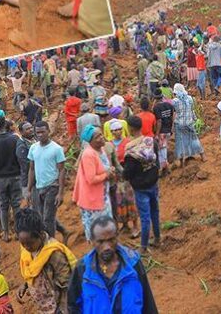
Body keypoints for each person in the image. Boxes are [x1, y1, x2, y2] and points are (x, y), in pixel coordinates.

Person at [67, 216, 158, 313]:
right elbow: (73, 305)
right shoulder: (82, 269)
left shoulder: (133, 264)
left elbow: (147, 302)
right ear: (92, 241)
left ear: (117, 237)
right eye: (100, 242)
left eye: (111, 240)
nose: (106, 247)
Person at [15, 208, 77, 313]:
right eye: (23, 244)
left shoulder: (54, 254)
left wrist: (64, 310)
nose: (26, 247)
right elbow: (31, 271)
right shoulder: (27, 251)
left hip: (57, 307)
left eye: (29, 243)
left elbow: (66, 285)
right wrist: (25, 285)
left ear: (40, 234)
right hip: (43, 307)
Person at [122, 116, 160, 254]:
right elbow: (157, 160)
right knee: (155, 212)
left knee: (144, 217)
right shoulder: (150, 141)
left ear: (131, 129)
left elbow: (128, 172)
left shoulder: (130, 149)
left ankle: (143, 246)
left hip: (140, 187)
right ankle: (157, 238)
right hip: (153, 182)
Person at [28, 121, 68, 238]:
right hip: (39, 186)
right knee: (41, 216)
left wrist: (60, 193)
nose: (40, 135)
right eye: (37, 132)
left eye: (42, 132)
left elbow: (61, 170)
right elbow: (31, 169)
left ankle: (51, 243)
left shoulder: (56, 149)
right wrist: (29, 189)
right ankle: (64, 231)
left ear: (48, 132)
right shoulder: (33, 148)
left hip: (52, 186)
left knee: (47, 219)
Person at [72, 124, 112, 241]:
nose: (102, 137)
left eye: (101, 134)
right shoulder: (88, 154)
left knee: (106, 229)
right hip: (92, 200)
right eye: (98, 136)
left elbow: (105, 168)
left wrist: (110, 171)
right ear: (90, 141)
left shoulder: (102, 150)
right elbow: (91, 179)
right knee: (97, 232)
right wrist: (107, 174)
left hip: (103, 196)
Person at [0, 116, 23, 242]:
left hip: (0, 179)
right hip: (15, 176)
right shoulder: (14, 139)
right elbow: (19, 158)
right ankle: (19, 232)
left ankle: (6, 233)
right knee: (17, 205)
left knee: (3, 206)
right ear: (5, 124)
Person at [171, 84, 205, 167]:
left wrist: (172, 126)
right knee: (194, 139)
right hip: (189, 122)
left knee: (180, 143)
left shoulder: (174, 101)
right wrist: (195, 119)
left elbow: (174, 113)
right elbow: (192, 110)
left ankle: (182, 162)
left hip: (179, 124)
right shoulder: (190, 98)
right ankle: (203, 156)